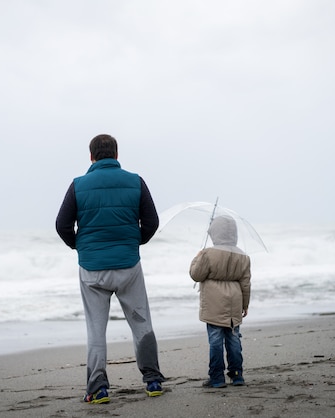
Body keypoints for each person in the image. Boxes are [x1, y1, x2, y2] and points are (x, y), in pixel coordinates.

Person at [56, 134, 165, 404]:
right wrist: (132, 242)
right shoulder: (135, 181)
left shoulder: (78, 185)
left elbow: (62, 225)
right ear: (116, 155)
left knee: (96, 330)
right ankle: (152, 380)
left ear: (91, 157)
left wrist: (81, 247)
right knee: (141, 323)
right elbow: (152, 222)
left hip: (92, 269)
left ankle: (98, 389)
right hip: (128, 266)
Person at [189, 214, 251, 388]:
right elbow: (245, 283)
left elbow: (196, 274)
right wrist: (245, 305)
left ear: (214, 233)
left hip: (214, 303)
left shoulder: (208, 253)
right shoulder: (243, 256)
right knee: (233, 339)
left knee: (215, 340)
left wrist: (197, 257)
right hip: (234, 303)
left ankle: (216, 378)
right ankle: (237, 375)